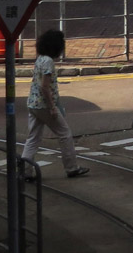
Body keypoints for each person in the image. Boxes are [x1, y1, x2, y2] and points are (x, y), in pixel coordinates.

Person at [21, 30, 90, 179]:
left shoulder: (40, 59)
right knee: (65, 134)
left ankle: (25, 171)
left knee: (33, 138)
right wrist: (52, 107)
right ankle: (71, 167)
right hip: (44, 105)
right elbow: (44, 86)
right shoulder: (48, 62)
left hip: (33, 104)